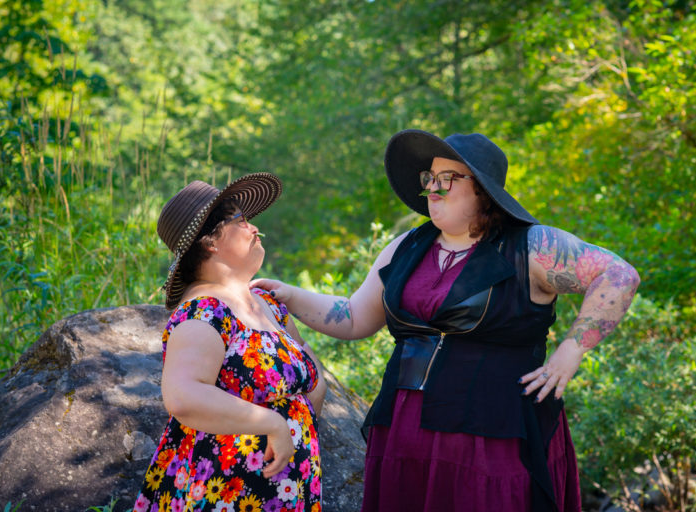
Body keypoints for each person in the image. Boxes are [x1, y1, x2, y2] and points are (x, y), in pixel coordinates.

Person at [253, 130, 640, 512]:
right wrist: (291, 295)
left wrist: (570, 351)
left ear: (483, 191)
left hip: (495, 434)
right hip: (405, 429)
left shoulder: (531, 246)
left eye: (447, 180)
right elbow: (354, 317)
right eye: (429, 180)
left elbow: (620, 276)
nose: (433, 190)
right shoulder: (404, 248)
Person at [133, 173, 326, 512]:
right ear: (210, 241)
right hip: (226, 488)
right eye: (241, 220)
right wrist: (272, 423)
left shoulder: (269, 304)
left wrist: (306, 411)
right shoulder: (203, 312)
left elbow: (307, 368)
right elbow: (183, 396)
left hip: (287, 483)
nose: (254, 229)